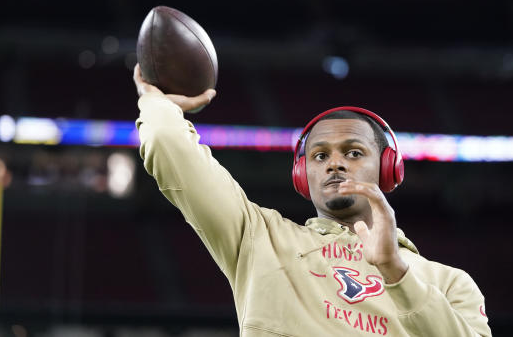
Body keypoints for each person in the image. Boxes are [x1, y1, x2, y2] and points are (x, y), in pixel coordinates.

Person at [133, 64, 491, 337]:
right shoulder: (259, 239)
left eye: (353, 152)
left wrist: (395, 271)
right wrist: (157, 103)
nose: (334, 162)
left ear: (387, 169)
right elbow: (167, 143)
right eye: (319, 156)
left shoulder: (449, 283)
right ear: (303, 176)